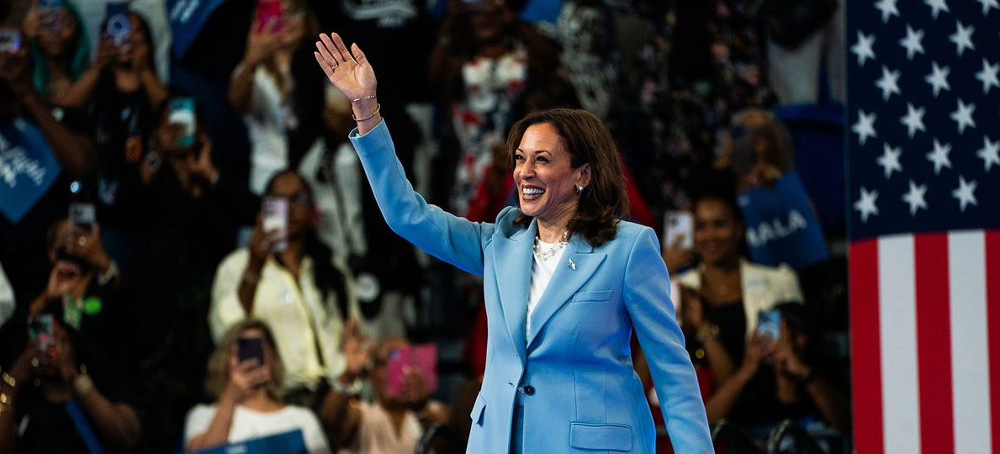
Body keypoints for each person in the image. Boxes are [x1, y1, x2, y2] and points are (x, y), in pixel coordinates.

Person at [314, 32, 712, 453]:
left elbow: (672, 372)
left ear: (582, 174)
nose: (525, 172)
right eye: (520, 158)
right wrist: (366, 109)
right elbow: (406, 215)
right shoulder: (500, 243)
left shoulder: (628, 249)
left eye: (542, 159)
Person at [210, 170, 359, 409]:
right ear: (263, 209)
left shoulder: (331, 266)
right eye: (277, 201)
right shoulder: (236, 265)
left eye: (297, 199)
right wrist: (255, 266)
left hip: (334, 396)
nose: (288, 209)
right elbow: (226, 332)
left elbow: (352, 329)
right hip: (274, 399)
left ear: (312, 209)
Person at [0, 218, 139, 454]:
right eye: (64, 242)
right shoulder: (35, 303)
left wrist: (74, 376)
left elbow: (129, 437)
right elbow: (9, 337)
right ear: (51, 252)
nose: (72, 247)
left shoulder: (108, 309)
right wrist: (14, 379)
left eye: (79, 239)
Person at [183, 319, 331, 454]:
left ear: (273, 358)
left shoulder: (302, 419)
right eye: (243, 349)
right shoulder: (203, 416)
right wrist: (230, 396)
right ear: (226, 359)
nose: (252, 357)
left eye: (258, 348)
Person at [228, 0, 325, 195]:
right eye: (277, 15)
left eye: (293, 12)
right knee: (274, 217)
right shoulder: (254, 71)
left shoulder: (324, 65)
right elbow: (236, 102)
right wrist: (250, 61)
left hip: (318, 174)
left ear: (307, 19)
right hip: (269, 180)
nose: (286, 20)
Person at [318, 321, 448, 453]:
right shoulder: (361, 414)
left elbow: (447, 446)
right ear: (371, 374)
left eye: (403, 361)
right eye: (384, 364)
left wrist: (421, 412)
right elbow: (329, 423)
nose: (395, 372)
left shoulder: (435, 412)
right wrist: (348, 375)